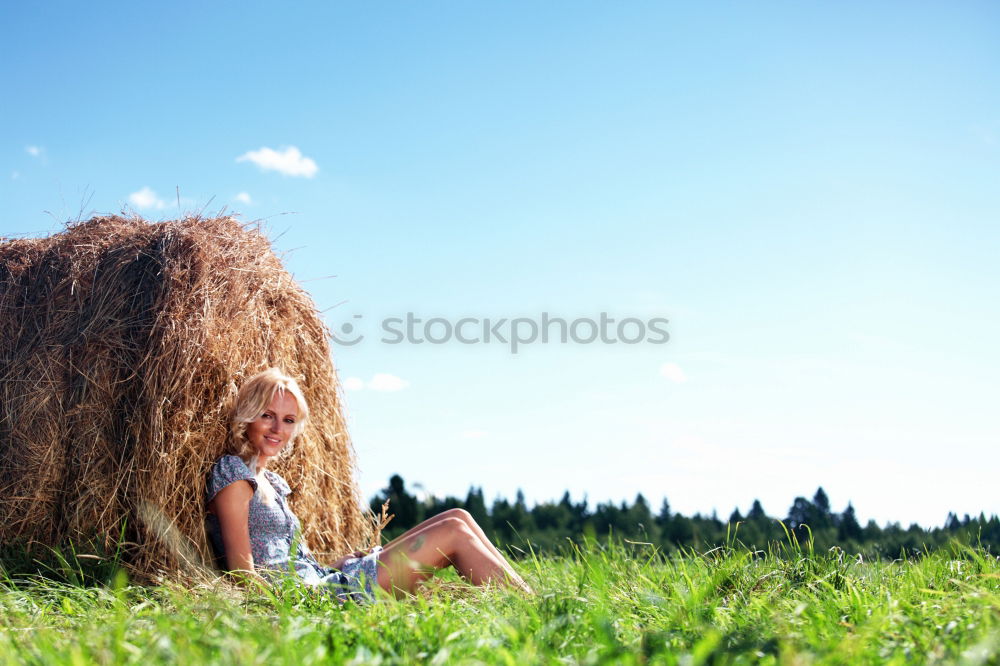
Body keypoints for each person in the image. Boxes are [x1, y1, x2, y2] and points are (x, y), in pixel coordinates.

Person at [206, 367, 532, 602]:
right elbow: (243, 572)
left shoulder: (271, 482)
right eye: (267, 415)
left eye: (288, 420)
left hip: (326, 579)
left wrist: (338, 562)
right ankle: (529, 608)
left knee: (458, 516)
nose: (278, 428)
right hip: (323, 595)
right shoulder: (235, 475)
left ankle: (527, 598)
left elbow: (287, 560)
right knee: (454, 534)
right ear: (248, 414)